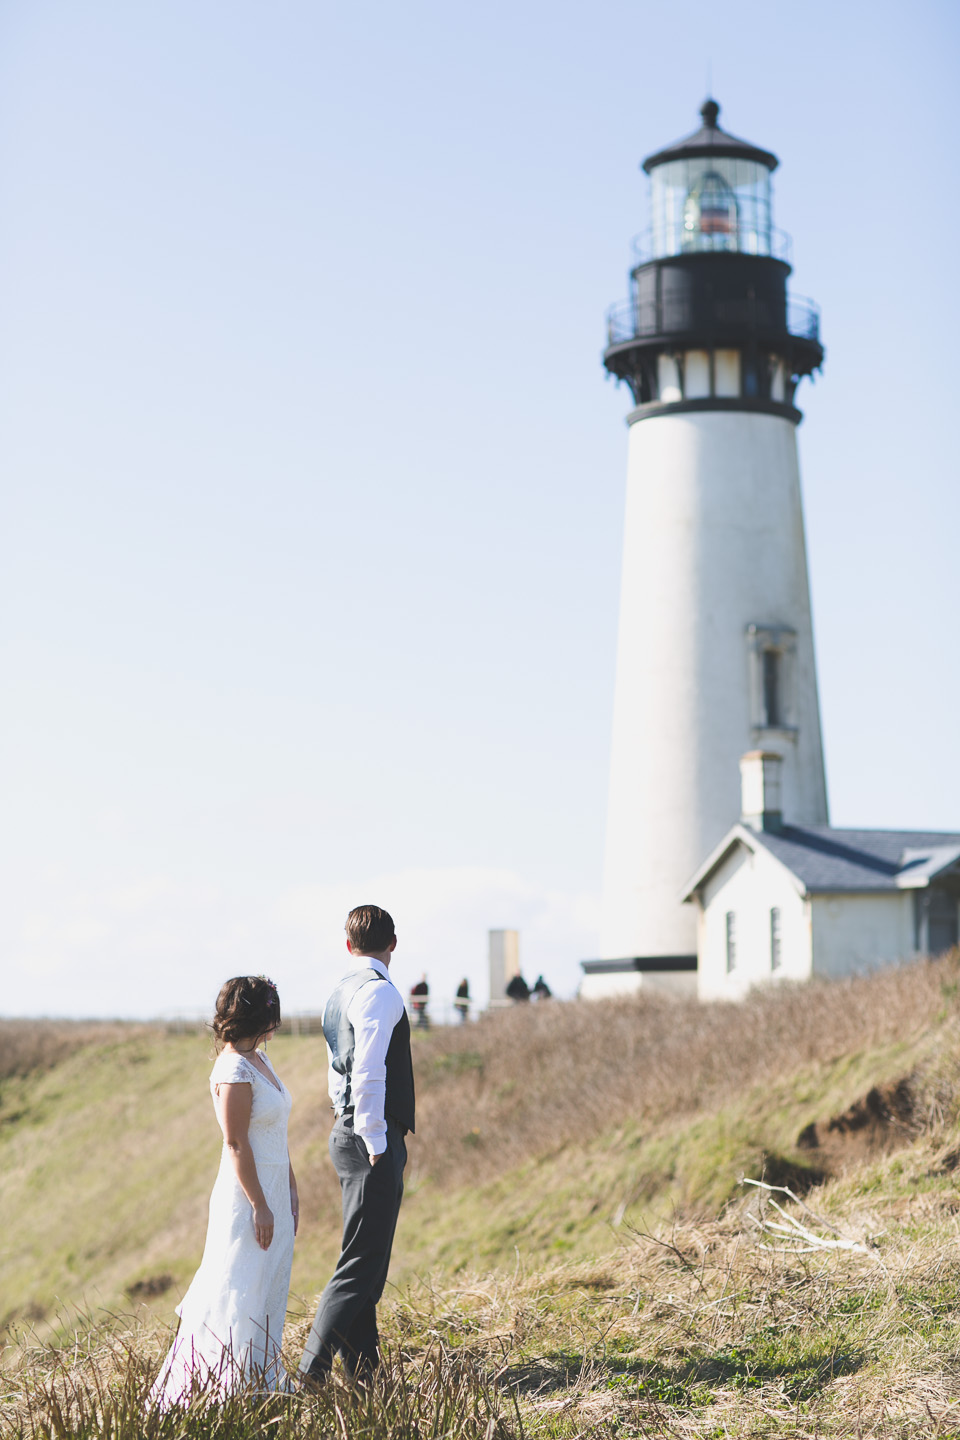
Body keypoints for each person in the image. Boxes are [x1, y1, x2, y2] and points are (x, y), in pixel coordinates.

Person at [150, 976, 298, 1406]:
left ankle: (261, 1381)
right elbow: (236, 1142)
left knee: (268, 1284)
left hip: (273, 1185)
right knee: (237, 1286)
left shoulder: (260, 1060)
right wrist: (260, 1205)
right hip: (246, 1195)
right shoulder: (233, 1069)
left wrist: (289, 1186)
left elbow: (274, 1133)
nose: (277, 1022)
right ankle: (220, 1390)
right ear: (257, 1016)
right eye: (272, 1012)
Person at [299, 905, 415, 1385]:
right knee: (361, 1263)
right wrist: (374, 1138)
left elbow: (337, 1072)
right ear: (393, 944)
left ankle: (366, 1376)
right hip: (370, 1136)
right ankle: (310, 1372)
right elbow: (369, 1071)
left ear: (349, 946)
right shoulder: (380, 993)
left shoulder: (338, 993)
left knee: (367, 1261)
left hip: (345, 1130)